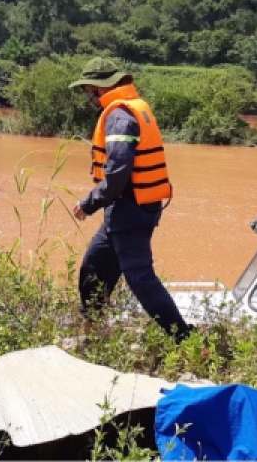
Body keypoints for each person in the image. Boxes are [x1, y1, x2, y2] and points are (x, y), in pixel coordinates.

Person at [69, 57, 193, 343]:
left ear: (102, 88)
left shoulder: (120, 116)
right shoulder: (132, 107)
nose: (89, 96)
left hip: (130, 209)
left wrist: (89, 203)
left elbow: (118, 172)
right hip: (126, 208)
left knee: (140, 278)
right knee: (95, 265)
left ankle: (184, 339)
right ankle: (93, 328)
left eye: (89, 90)